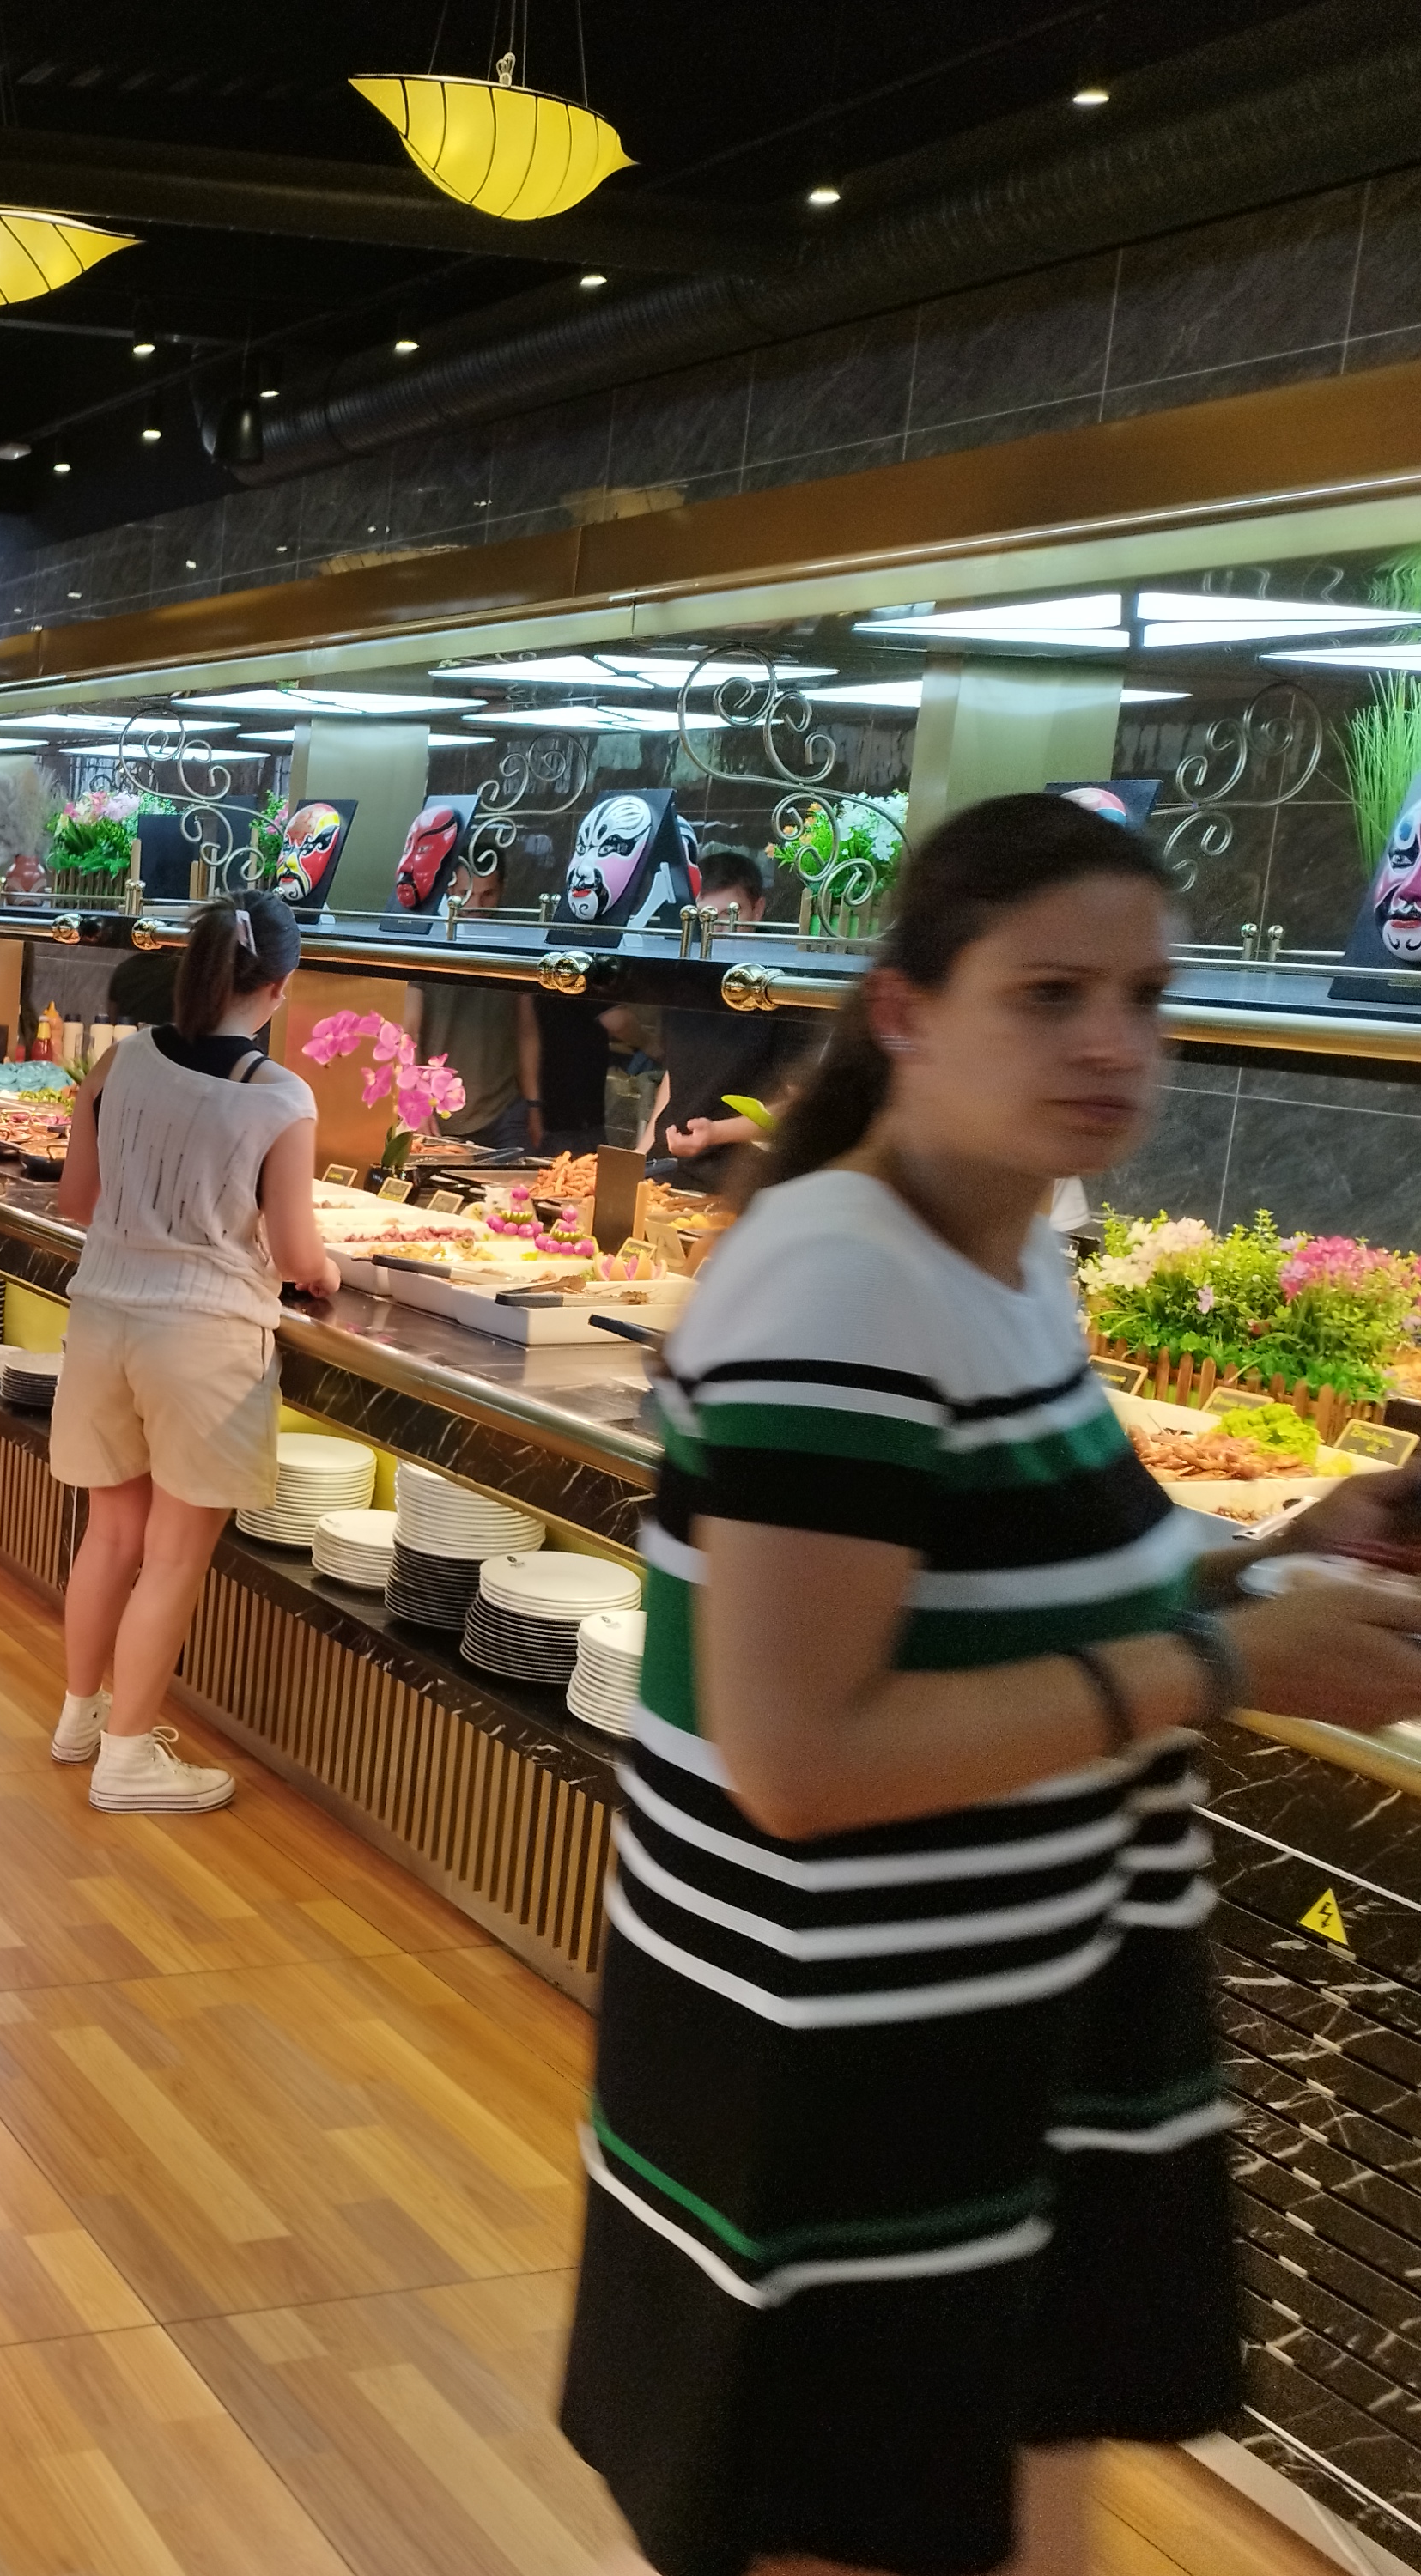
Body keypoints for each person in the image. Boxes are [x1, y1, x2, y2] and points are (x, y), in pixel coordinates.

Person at [556, 793, 1421, 2576]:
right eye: (1046, 995)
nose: (1111, 1043)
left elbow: (1029, 1579)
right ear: (905, 1012)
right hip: (836, 2068)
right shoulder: (838, 1282)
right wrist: (1223, 1659)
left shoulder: (1007, 1250)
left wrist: (1278, 1552)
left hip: (999, 2021)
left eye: (1142, 997)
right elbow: (798, 1757)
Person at [48, 890, 339, 1815]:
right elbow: (296, 1255)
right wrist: (324, 1271)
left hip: (103, 1318)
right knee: (172, 1557)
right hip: (205, 1340)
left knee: (110, 1537)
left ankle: (79, 1720)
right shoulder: (280, 1098)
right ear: (279, 987)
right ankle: (128, 1761)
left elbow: (77, 1201)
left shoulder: (121, 1059)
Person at [656, 847, 819, 1179]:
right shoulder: (687, 975)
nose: (717, 929)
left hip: (740, 1176)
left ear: (758, 909)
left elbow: (800, 1107)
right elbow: (675, 1076)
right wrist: (639, 1154)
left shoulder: (783, 987)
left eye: (731, 914)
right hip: (671, 1166)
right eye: (706, 918)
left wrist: (716, 1133)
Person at [416, 854, 544, 1150]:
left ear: (502, 890)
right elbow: (408, 1030)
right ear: (449, 889)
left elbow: (526, 1030)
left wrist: (534, 1105)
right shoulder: (424, 945)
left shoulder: (514, 946)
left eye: (488, 895)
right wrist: (417, 1099)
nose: (476, 906)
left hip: (505, 1112)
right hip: (439, 1115)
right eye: (466, 894)